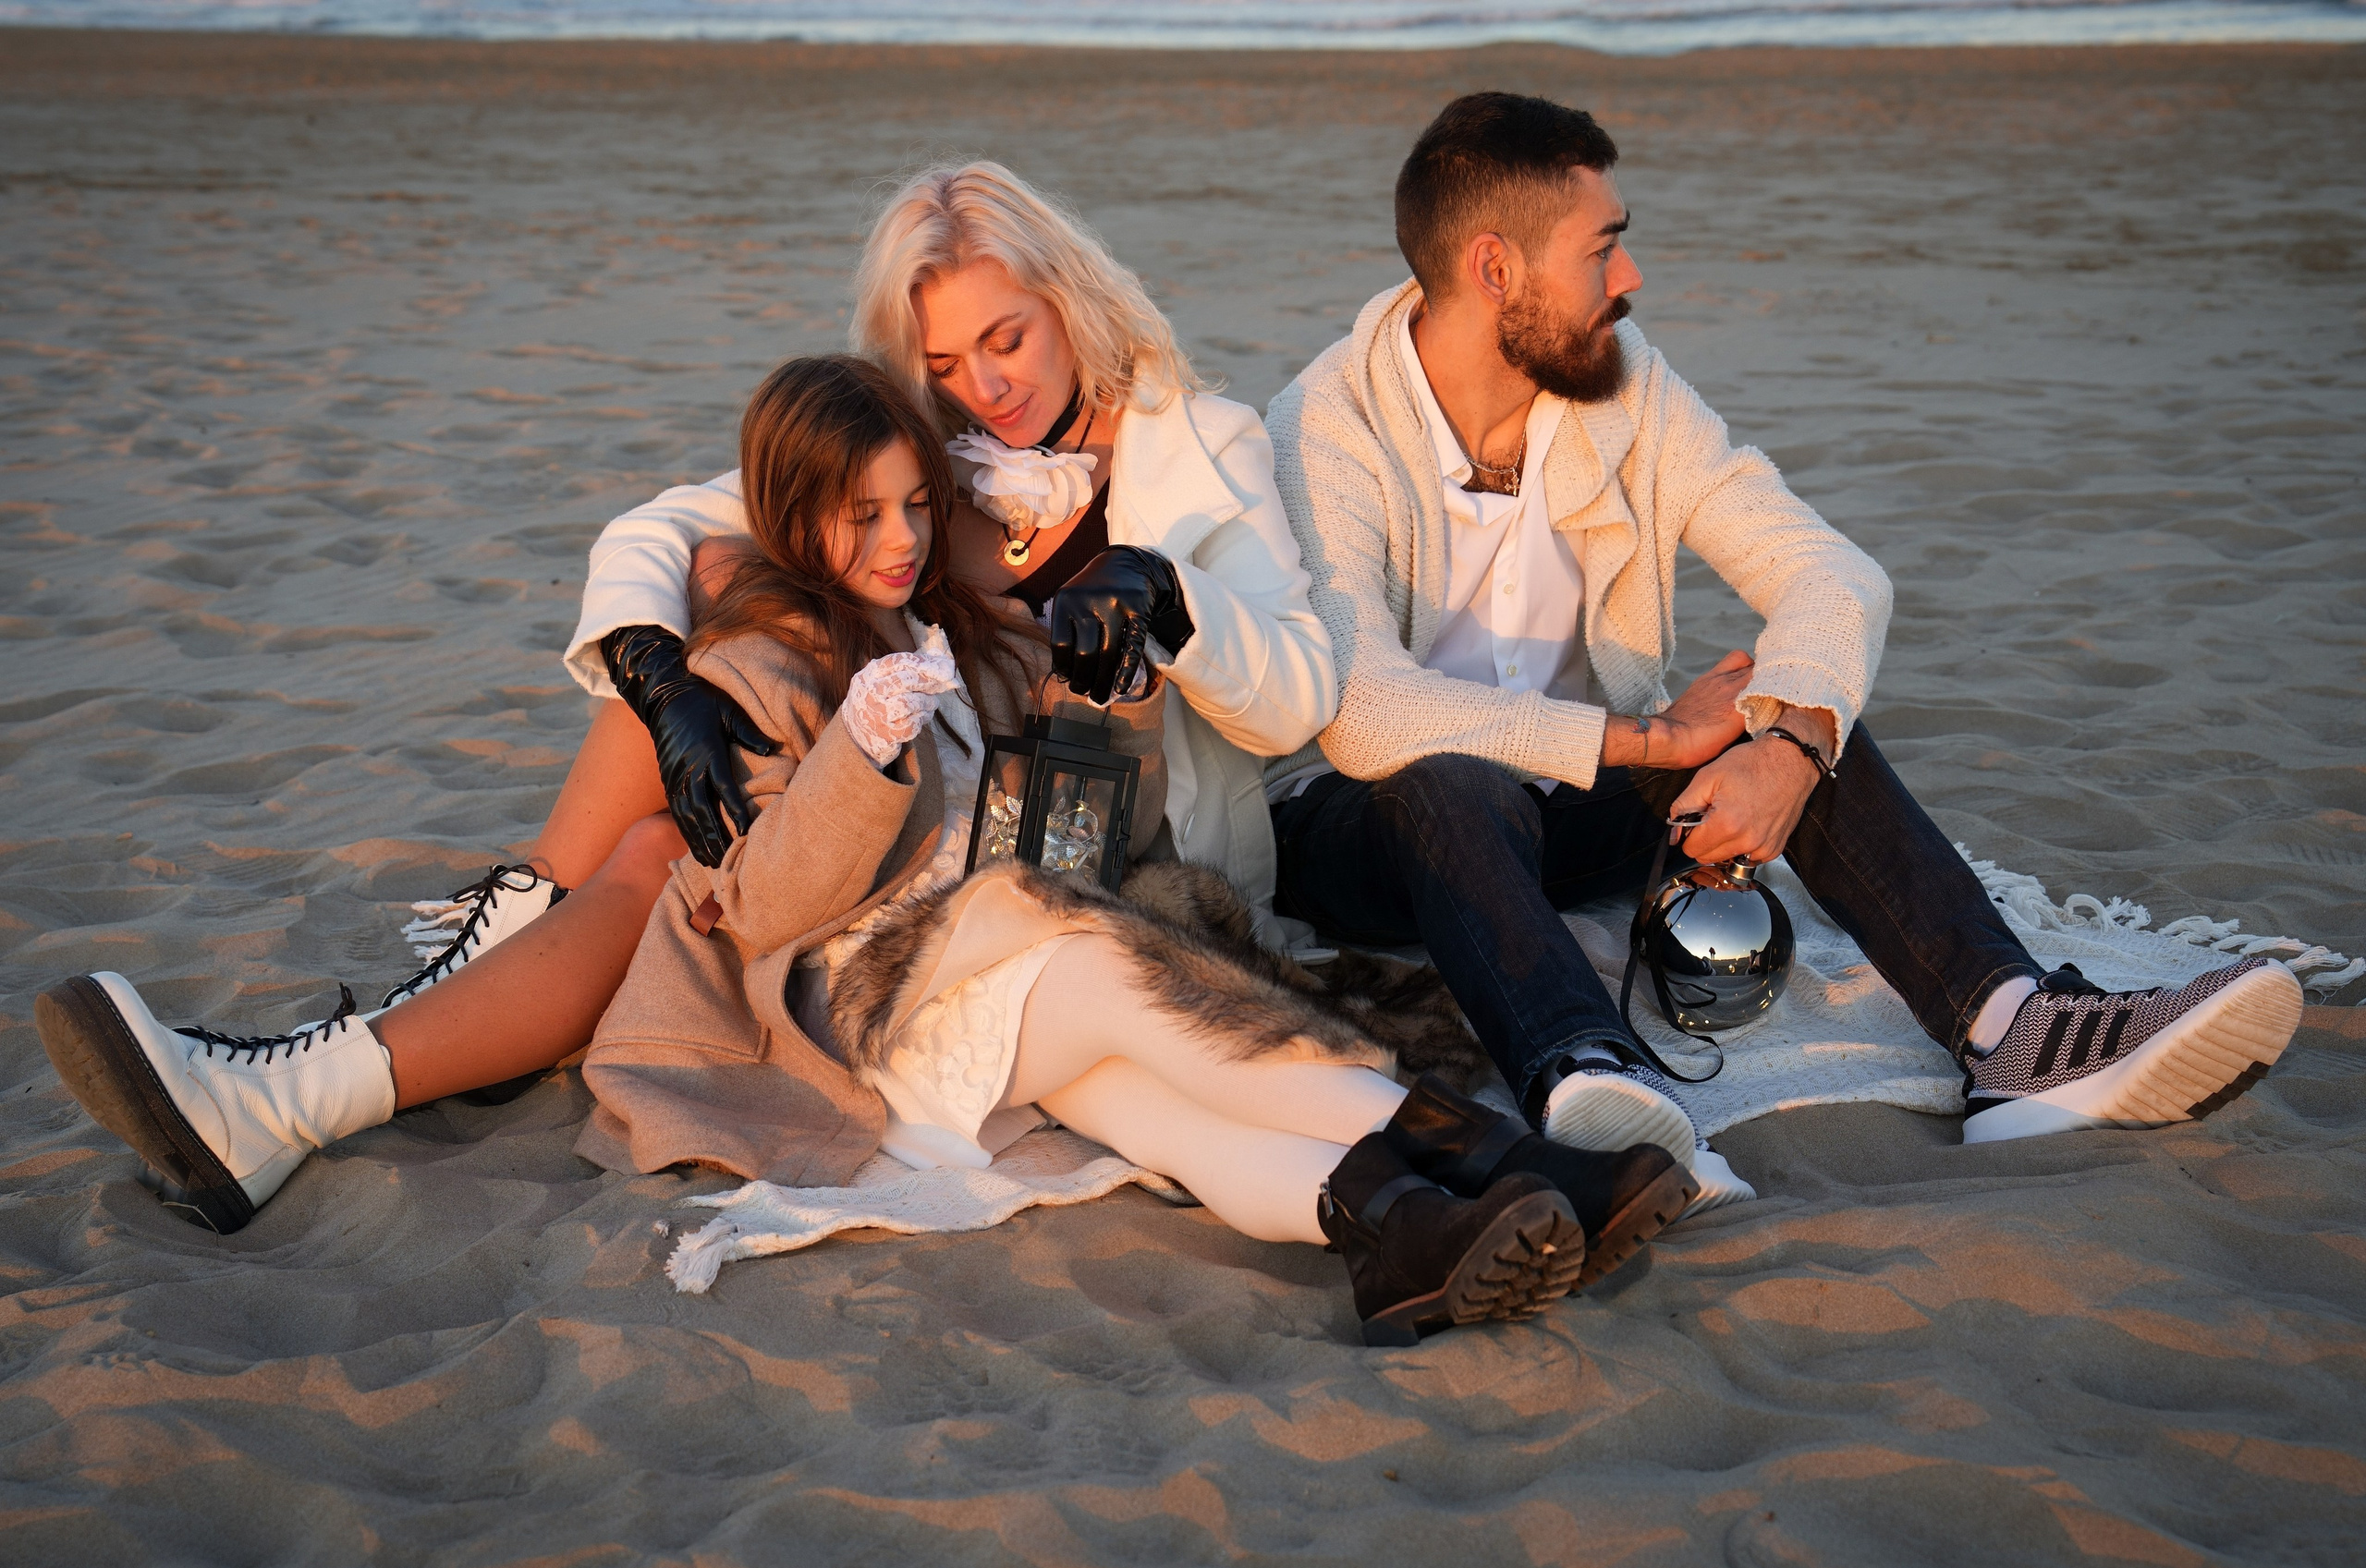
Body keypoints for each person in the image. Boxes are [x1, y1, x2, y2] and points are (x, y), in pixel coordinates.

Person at [35, 356, 1701, 1345]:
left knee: (1151, 1085)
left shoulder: (963, 624)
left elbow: (1085, 801)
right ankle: (1497, 1157)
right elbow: (766, 894)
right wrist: (858, 743)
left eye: (919, 507)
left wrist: (1103, 690)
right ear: (794, 521)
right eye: (867, 516)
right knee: (1120, 975)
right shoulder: (774, 661)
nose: (904, 539)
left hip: (997, 976)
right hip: (881, 998)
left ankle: (1394, 1224)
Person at [1262, 91, 2304, 1171]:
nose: (1630, 277)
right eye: (1601, 249)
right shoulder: (1322, 429)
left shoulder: (1623, 386)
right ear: (1495, 269)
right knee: (1447, 779)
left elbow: (1828, 571)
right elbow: (1362, 709)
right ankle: (1592, 1080)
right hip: (1362, 831)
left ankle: (2014, 1031)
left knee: (1793, 692)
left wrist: (1790, 743)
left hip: (1565, 808)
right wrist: (1650, 739)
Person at [393, 158, 1337, 1013]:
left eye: (1007, 340)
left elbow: (1298, 701)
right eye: (944, 363)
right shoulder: (924, 442)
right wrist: (655, 675)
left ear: (1069, 301)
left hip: (1101, 841)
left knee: (668, 828)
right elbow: (661, 526)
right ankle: (530, 904)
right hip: (919, 802)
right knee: (705, 604)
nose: (985, 389)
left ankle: (521, 961)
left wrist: (1170, 596)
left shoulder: (1204, 443)